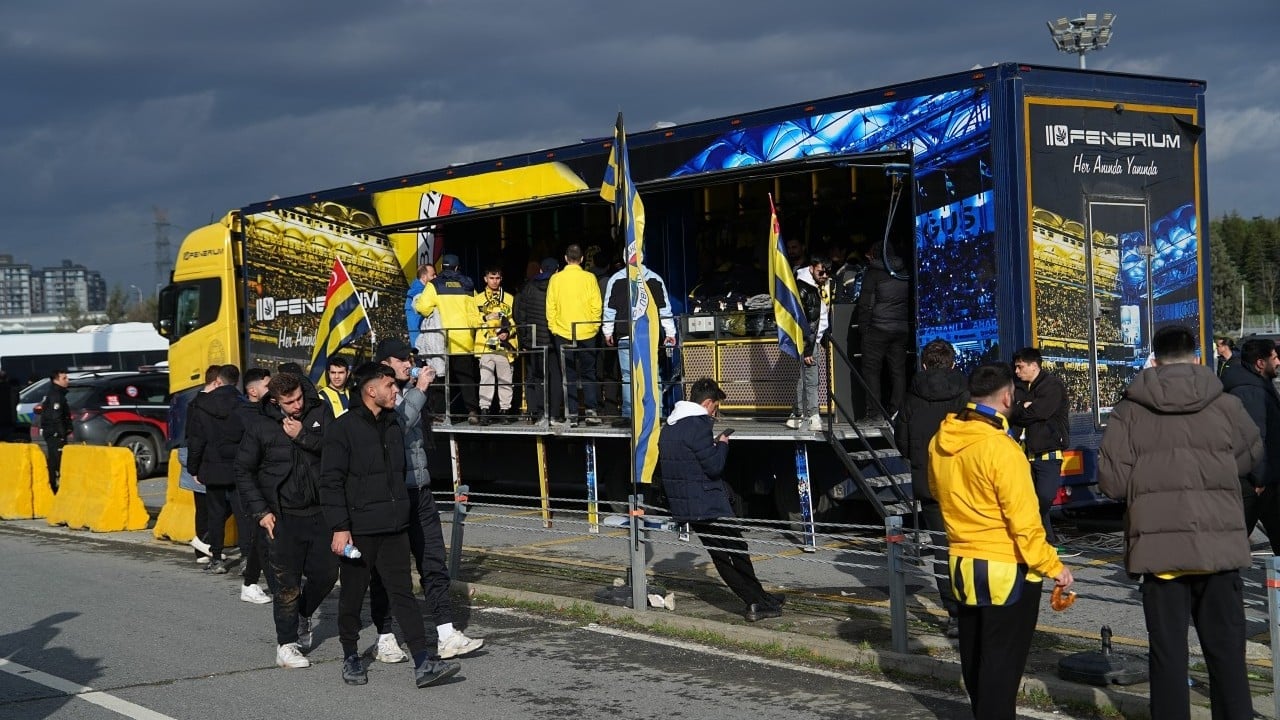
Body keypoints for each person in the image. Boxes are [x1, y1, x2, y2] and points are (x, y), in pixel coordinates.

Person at [1098, 325, 1262, 720]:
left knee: (1167, 658)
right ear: (1197, 356)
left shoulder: (1129, 410)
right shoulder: (1224, 404)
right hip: (1218, 550)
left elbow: (1112, 481)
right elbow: (1250, 455)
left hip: (1160, 555)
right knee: (1227, 656)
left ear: (1154, 358)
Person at [928, 363, 1072, 720]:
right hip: (1007, 568)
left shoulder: (941, 440)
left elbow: (936, 492)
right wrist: (1054, 567)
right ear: (1008, 397)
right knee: (1002, 667)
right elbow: (1025, 522)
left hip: (962, 562)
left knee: (974, 657)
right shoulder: (1002, 450)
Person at [319, 362, 461, 688]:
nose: (396, 390)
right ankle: (351, 656)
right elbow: (330, 482)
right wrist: (340, 528)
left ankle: (424, 663)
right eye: (389, 385)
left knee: (403, 595)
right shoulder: (343, 430)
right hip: (359, 531)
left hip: (394, 527)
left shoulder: (395, 424)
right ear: (371, 390)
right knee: (353, 596)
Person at [369, 338, 485, 661]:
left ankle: (446, 633)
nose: (408, 363)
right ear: (384, 363)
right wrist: (419, 389)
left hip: (421, 491)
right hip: (392, 496)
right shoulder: (377, 396)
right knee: (391, 571)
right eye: (401, 359)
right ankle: (385, 636)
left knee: (433, 562)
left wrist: (419, 391)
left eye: (410, 358)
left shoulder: (409, 391)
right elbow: (396, 425)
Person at [235, 370, 337, 669]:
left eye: (299, 398)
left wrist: (302, 435)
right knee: (286, 586)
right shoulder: (260, 424)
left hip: (320, 511)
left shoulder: (318, 410)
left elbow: (334, 450)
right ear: (276, 401)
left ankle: (303, 614)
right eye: (289, 402)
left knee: (327, 574)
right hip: (280, 517)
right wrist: (261, 512)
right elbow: (243, 470)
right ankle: (286, 645)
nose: (297, 405)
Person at [659, 378, 784, 622]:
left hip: (687, 503)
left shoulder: (671, 426)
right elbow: (714, 467)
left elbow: (690, 460)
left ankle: (760, 596)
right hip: (707, 503)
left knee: (723, 553)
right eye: (715, 408)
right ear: (707, 403)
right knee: (734, 552)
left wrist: (711, 446)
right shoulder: (698, 426)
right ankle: (756, 603)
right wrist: (723, 445)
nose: (715, 413)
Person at [893, 339, 968, 638]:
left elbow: (902, 441)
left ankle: (954, 614)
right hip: (964, 485)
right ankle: (975, 606)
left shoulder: (911, 398)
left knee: (942, 551)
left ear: (923, 364)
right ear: (952, 363)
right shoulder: (965, 394)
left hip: (929, 484)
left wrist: (921, 461)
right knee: (970, 547)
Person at [1221, 336, 1280, 554]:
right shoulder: (1250, 391)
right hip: (1257, 481)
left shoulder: (1256, 384)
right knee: (1231, 544)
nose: (1278, 362)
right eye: (1274, 357)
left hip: (1263, 478)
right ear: (1260, 363)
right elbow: (1255, 437)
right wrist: (1260, 477)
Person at [601, 262, 678, 429]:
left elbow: (609, 309)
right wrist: (670, 332)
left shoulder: (616, 279)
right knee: (653, 375)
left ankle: (630, 415)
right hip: (649, 335)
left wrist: (608, 331)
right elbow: (664, 309)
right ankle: (656, 413)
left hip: (625, 335)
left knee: (628, 377)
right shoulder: (655, 279)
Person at [185, 364, 245, 575]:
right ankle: (247, 558)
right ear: (236, 381)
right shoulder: (243, 405)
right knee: (242, 516)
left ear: (218, 380)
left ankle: (217, 558)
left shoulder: (202, 405)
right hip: (239, 469)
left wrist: (194, 468)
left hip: (212, 468)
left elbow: (196, 441)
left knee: (215, 515)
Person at [1008, 347, 1070, 548]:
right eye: (1015, 367)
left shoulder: (1052, 386)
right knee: (1028, 498)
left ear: (1034, 366)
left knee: (1044, 496)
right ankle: (1046, 541)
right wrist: (1022, 407)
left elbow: (1039, 412)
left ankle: (1043, 538)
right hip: (1022, 453)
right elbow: (1011, 411)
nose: (1017, 371)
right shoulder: (1017, 387)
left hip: (1048, 451)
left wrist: (1025, 408)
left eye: (1020, 367)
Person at [232, 366, 277, 602]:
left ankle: (249, 583)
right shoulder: (245, 415)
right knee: (261, 535)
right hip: (253, 483)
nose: (272, 391)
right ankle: (271, 587)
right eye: (267, 386)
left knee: (262, 535)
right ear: (252, 390)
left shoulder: (263, 411)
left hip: (265, 481)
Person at [546, 244, 603, 426]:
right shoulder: (590, 278)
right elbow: (597, 305)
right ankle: (591, 411)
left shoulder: (556, 279)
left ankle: (571, 415)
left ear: (565, 258)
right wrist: (594, 326)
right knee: (589, 372)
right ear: (582, 259)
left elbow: (551, 306)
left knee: (568, 375)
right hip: (587, 331)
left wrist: (554, 327)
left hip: (562, 332)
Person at [855, 241, 910, 421]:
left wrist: (863, 328)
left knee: (872, 371)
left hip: (877, 328)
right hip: (901, 327)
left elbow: (865, 304)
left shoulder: (874, 273)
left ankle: (874, 413)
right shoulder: (903, 271)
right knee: (898, 371)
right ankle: (897, 411)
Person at [432, 254, 481, 424]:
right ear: (457, 268)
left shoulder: (434, 285)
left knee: (440, 377)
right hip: (463, 339)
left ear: (442, 268)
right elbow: (475, 314)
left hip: (441, 340)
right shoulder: (468, 284)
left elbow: (422, 307)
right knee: (466, 378)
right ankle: (472, 411)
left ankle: (440, 413)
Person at [786, 258, 832, 431]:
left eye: (828, 272)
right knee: (811, 379)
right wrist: (807, 350)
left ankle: (797, 414)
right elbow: (806, 321)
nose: (825, 275)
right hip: (809, 341)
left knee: (805, 377)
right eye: (821, 271)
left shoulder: (815, 284)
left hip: (812, 339)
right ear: (812, 269)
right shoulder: (805, 287)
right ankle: (813, 415)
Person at [185, 365, 223, 565]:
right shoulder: (200, 404)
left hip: (203, 461)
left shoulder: (195, 402)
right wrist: (195, 467)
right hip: (203, 461)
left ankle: (203, 547)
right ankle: (202, 546)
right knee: (206, 507)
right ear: (217, 382)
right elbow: (195, 438)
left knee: (206, 507)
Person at [514, 257, 558, 424]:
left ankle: (539, 413)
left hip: (534, 340)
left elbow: (521, 315)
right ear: (557, 271)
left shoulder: (528, 288)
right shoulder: (557, 286)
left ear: (541, 270)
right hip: (554, 338)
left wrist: (524, 339)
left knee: (536, 377)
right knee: (555, 376)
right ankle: (554, 414)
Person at [474, 265, 518, 424]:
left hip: (504, 345)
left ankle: (505, 411)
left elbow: (515, 321)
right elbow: (471, 320)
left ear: (501, 279)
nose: (494, 281)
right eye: (491, 278)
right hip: (486, 344)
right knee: (486, 379)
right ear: (485, 279)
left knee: (506, 379)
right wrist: (485, 318)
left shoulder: (509, 298)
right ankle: (484, 410)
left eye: (497, 278)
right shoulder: (477, 298)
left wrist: (508, 331)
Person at [410, 264, 448, 415]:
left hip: (424, 345)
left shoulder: (418, 292)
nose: (436, 278)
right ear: (424, 278)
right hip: (424, 346)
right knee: (430, 381)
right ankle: (432, 413)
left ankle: (431, 413)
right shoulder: (419, 294)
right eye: (433, 275)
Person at [39, 368, 72, 493]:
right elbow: (56, 416)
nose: (67, 380)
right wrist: (62, 434)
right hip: (55, 433)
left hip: (54, 432)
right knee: (56, 461)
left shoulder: (58, 393)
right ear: (56, 380)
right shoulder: (56, 395)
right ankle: (53, 488)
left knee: (56, 460)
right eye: (64, 378)